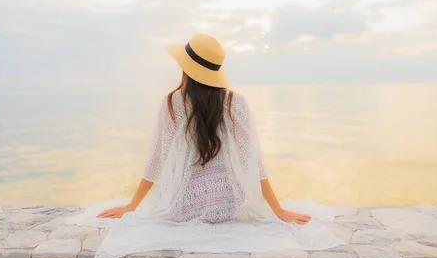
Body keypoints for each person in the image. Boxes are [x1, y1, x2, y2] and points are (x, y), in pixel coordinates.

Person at [97, 33, 313, 225]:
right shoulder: (234, 102)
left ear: (185, 67)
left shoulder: (172, 102)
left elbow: (156, 159)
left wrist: (131, 206)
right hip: (227, 204)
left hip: (184, 206)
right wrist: (278, 209)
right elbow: (252, 160)